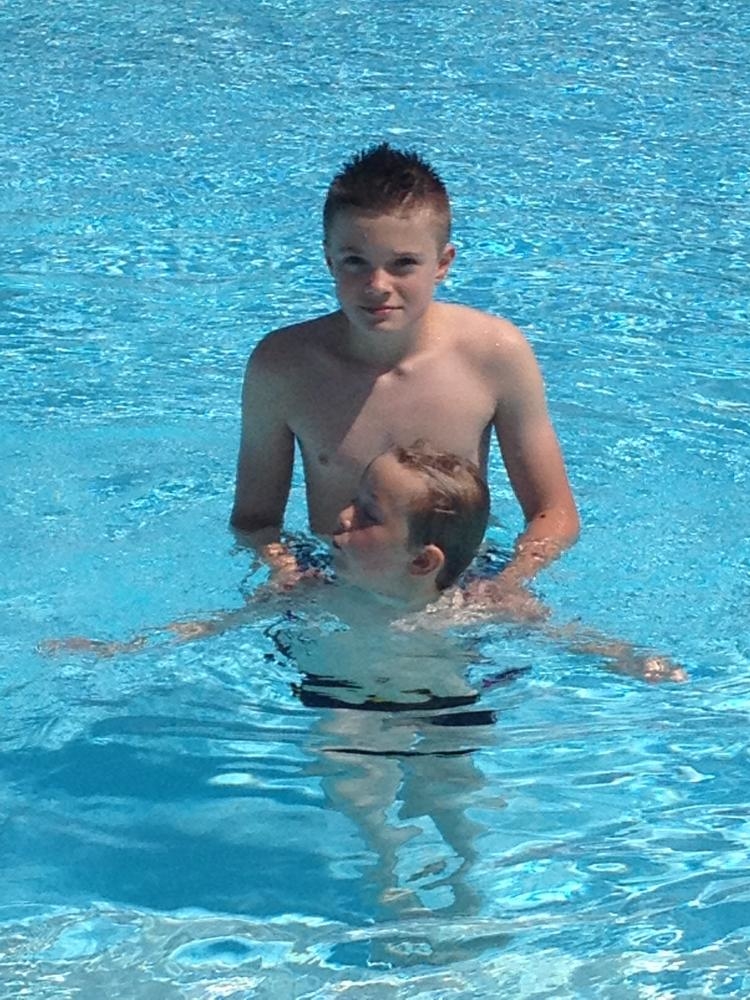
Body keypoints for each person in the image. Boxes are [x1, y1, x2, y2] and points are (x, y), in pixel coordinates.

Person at [230, 142, 580, 602]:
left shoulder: (494, 355)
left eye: (403, 264)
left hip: (461, 580)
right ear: (329, 259)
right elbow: (255, 520)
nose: (377, 286)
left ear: (442, 264)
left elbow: (554, 512)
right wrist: (285, 571)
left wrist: (508, 583)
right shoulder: (283, 366)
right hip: (333, 579)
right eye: (355, 262)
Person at [46, 442, 684, 684]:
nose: (342, 517)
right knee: (352, 777)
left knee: (451, 784)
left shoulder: (479, 604)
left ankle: (459, 881)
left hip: (446, 704)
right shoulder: (313, 588)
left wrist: (626, 658)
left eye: (368, 514)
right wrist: (117, 651)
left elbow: (566, 636)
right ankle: (384, 869)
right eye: (354, 501)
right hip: (342, 699)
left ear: (423, 561)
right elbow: (211, 627)